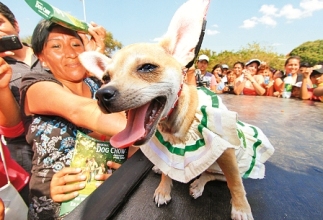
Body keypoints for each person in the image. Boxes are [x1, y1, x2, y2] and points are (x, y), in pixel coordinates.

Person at [19, 19, 128, 219]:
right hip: (53, 207)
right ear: (41, 57)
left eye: (76, 44)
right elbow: (82, 112)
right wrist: (153, 130)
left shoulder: (101, 85)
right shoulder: (35, 85)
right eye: (56, 46)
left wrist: (127, 169)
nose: (71, 52)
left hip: (109, 202)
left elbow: (133, 125)